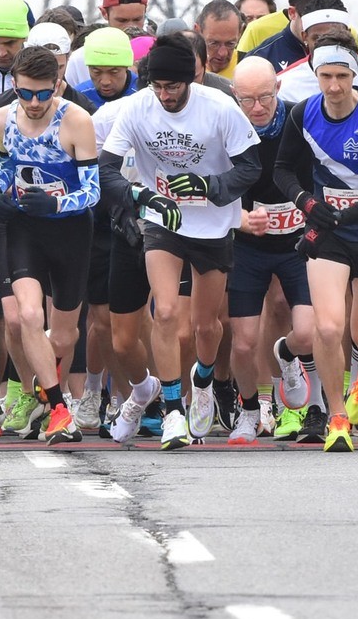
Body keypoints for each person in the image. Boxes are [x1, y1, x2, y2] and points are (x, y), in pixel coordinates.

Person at [99, 33, 262, 449]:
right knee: (167, 311)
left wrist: (209, 186)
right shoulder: (138, 108)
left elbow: (250, 168)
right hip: (163, 219)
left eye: (172, 87)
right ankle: (173, 410)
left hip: (211, 226)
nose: (165, 95)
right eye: (158, 87)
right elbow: (107, 169)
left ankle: (203, 380)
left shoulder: (220, 107)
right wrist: (139, 194)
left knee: (206, 327)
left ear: (190, 80)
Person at [272, 30, 358, 451]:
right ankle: (337, 415)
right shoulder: (303, 114)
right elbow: (282, 170)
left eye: (342, 76)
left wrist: (343, 213)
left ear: (354, 74)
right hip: (328, 236)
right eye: (325, 76)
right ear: (315, 73)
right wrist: (306, 203)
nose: (333, 86)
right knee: (328, 328)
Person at [0, 46, 103, 445]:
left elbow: (93, 191)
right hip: (24, 229)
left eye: (43, 93)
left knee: (64, 335)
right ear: (15, 87)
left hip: (70, 232)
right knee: (28, 317)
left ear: (57, 85)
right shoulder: (2, 118)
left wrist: (57, 201)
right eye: (25, 93)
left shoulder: (76, 121)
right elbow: (4, 166)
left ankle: (42, 392)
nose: (34, 103)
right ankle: (57, 407)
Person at [226, 57, 314, 444]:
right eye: (247, 99)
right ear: (235, 96)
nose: (257, 107)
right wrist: (239, 218)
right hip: (249, 245)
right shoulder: (225, 126)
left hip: (297, 242)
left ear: (278, 89)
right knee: (243, 341)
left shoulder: (299, 120)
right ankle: (248, 410)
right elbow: (213, 186)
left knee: (308, 332)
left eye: (264, 97)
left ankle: (288, 354)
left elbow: (320, 176)